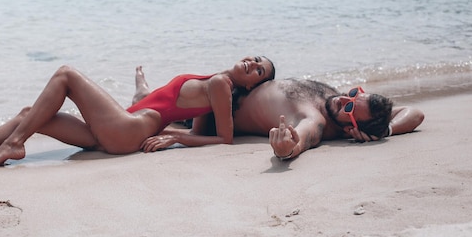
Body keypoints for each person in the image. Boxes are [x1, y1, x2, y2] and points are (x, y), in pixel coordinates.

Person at [0, 56, 275, 170]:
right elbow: (165, 106)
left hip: (128, 133)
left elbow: (225, 139)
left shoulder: (223, 85)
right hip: (120, 131)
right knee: (31, 113)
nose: (254, 63)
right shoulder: (213, 82)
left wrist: (176, 139)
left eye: (260, 71)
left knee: (65, 74)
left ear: (248, 86)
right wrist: (142, 85)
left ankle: (15, 143)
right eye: (257, 59)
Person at [135, 74, 424, 160]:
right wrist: (385, 131)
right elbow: (415, 113)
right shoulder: (338, 102)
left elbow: (301, 140)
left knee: (159, 115)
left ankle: (141, 98)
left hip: (216, 116)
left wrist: (286, 147)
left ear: (352, 130)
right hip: (230, 92)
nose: (343, 100)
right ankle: (144, 95)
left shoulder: (316, 120)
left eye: (349, 109)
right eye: (352, 93)